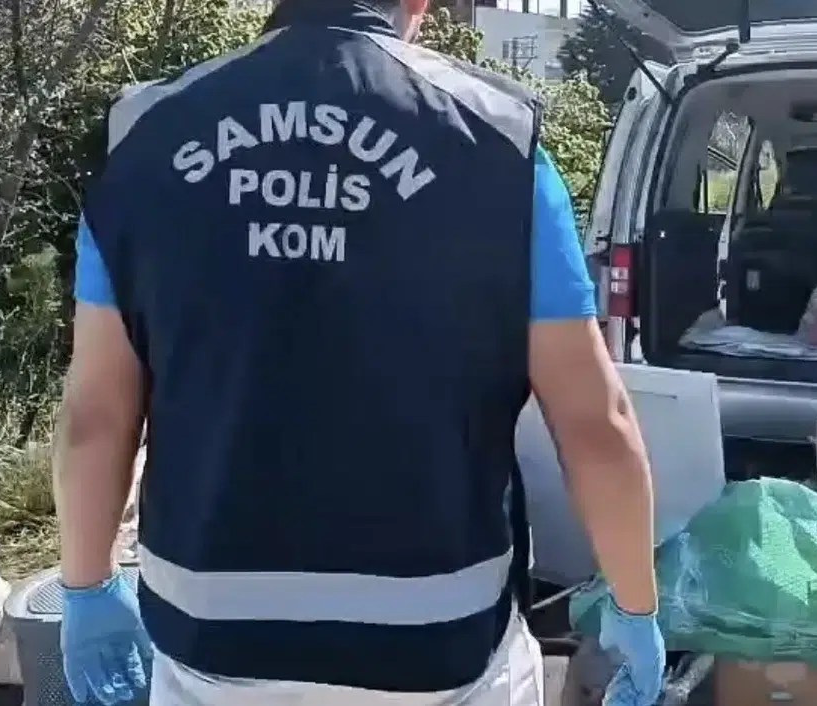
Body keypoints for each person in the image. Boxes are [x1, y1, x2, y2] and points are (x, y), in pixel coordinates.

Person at [51, 0, 665, 705]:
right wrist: (635, 606)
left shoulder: (143, 137)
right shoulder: (498, 144)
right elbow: (594, 423)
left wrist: (85, 586)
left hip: (209, 638)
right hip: (438, 639)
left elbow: (96, 415)